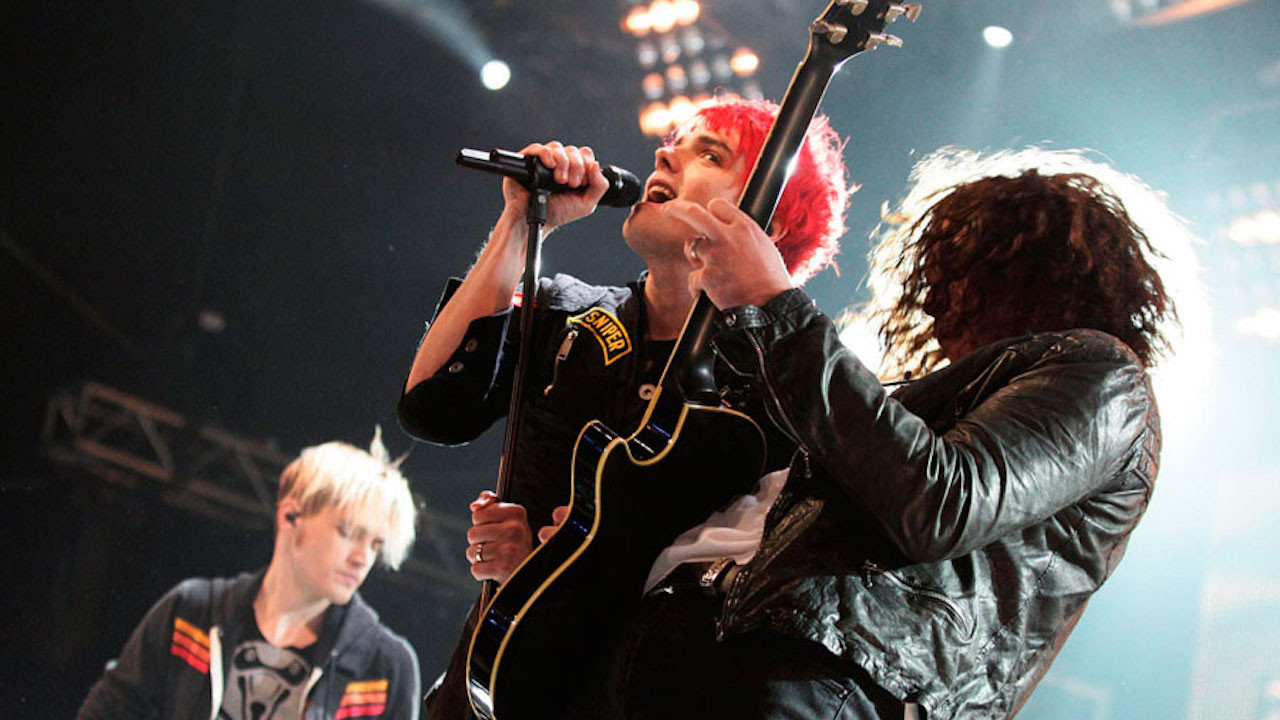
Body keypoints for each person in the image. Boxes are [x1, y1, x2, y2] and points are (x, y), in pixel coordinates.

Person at [553, 146, 1190, 719]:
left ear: (1026, 273)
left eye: (958, 271)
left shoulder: (1102, 376)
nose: (935, 301)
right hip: (681, 650)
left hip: (817, 678)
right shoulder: (912, 406)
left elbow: (941, 504)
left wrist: (778, 305)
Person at [396, 96, 852, 718]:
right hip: (483, 695)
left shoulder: (780, 395)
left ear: (762, 224)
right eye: (676, 143)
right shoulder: (567, 312)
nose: (664, 153)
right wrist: (522, 221)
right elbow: (431, 408)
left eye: (709, 154)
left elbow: (749, 599)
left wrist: (546, 575)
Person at [77, 430, 422, 720]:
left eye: (376, 545)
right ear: (290, 518)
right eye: (348, 532)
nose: (363, 558)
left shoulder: (385, 667)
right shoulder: (191, 612)